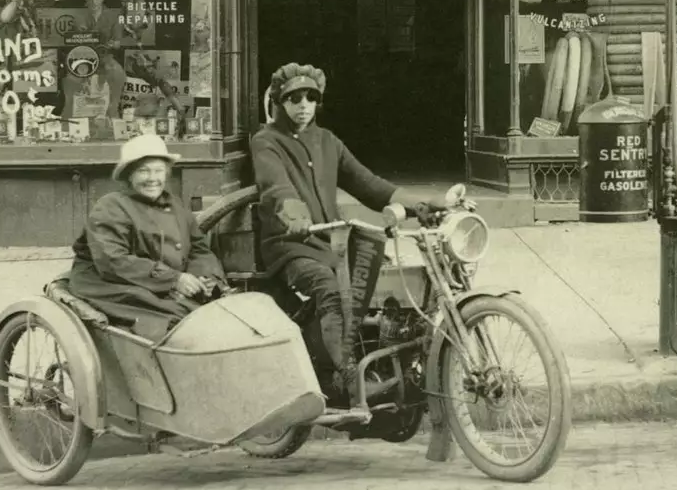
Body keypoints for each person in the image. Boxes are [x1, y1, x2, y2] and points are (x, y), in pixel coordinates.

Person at [252, 62, 446, 404]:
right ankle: (346, 376)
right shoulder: (267, 141)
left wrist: (417, 205)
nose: (302, 106)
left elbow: (368, 184)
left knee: (386, 282)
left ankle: (385, 365)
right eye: (293, 98)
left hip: (331, 242)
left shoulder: (328, 141)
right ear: (280, 103)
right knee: (329, 289)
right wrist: (292, 211)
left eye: (310, 98)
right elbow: (274, 185)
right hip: (291, 245)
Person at [67, 134, 227, 339]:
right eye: (144, 171)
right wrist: (174, 280)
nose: (153, 178)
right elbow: (113, 261)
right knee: (180, 317)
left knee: (216, 311)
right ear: (129, 175)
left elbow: (198, 247)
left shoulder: (175, 205)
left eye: (158, 170)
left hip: (159, 282)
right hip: (110, 284)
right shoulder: (111, 207)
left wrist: (205, 278)